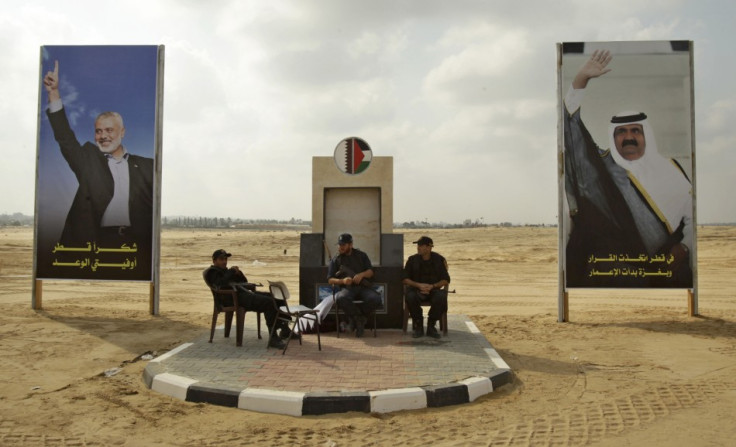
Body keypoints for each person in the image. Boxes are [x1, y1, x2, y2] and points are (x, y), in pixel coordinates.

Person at [563, 49, 693, 287]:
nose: (628, 137)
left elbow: (692, 217)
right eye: (621, 132)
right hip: (617, 266)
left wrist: (685, 246)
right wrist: (580, 81)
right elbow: (573, 136)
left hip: (668, 268)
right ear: (613, 137)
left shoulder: (672, 169)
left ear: (646, 135)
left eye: (635, 130)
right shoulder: (603, 167)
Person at [42, 60, 153, 266]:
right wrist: (53, 93)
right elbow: (65, 137)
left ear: (122, 132)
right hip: (95, 242)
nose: (103, 136)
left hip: (136, 243)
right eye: (98, 131)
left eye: (109, 130)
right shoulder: (88, 160)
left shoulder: (147, 166)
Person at [204, 249, 293, 349]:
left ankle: (285, 329)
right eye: (221, 259)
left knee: (277, 297)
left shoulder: (226, 271)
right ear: (214, 261)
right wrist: (231, 272)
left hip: (243, 295)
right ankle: (273, 337)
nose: (224, 261)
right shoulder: (212, 272)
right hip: (233, 299)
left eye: (225, 259)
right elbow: (221, 284)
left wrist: (238, 273)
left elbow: (244, 282)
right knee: (269, 303)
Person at [327, 233, 382, 337]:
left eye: (343, 245)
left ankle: (357, 320)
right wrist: (342, 281)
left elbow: (370, 271)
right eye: (339, 245)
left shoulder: (361, 255)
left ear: (351, 245)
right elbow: (330, 280)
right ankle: (359, 320)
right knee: (341, 298)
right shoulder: (336, 259)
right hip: (348, 289)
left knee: (375, 298)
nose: (340, 247)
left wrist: (362, 275)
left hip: (363, 288)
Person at [402, 236, 450, 339]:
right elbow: (404, 279)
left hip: (433, 290)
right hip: (416, 290)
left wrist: (433, 286)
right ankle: (418, 324)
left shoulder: (439, 260)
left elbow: (445, 279)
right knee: (410, 296)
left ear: (429, 247)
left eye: (421, 245)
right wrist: (419, 285)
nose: (418, 248)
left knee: (441, 297)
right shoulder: (412, 260)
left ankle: (431, 325)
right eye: (418, 245)